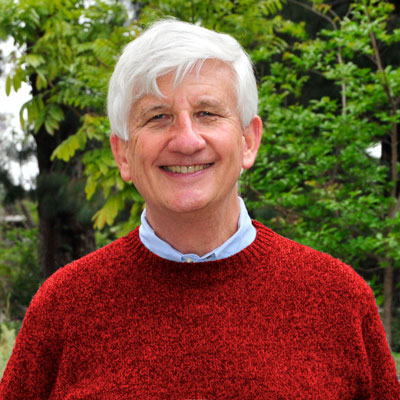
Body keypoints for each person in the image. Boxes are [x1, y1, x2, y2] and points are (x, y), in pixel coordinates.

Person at [1, 19, 399, 400]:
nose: (187, 140)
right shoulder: (64, 307)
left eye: (207, 113)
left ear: (248, 140)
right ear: (122, 153)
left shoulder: (339, 300)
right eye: (158, 117)